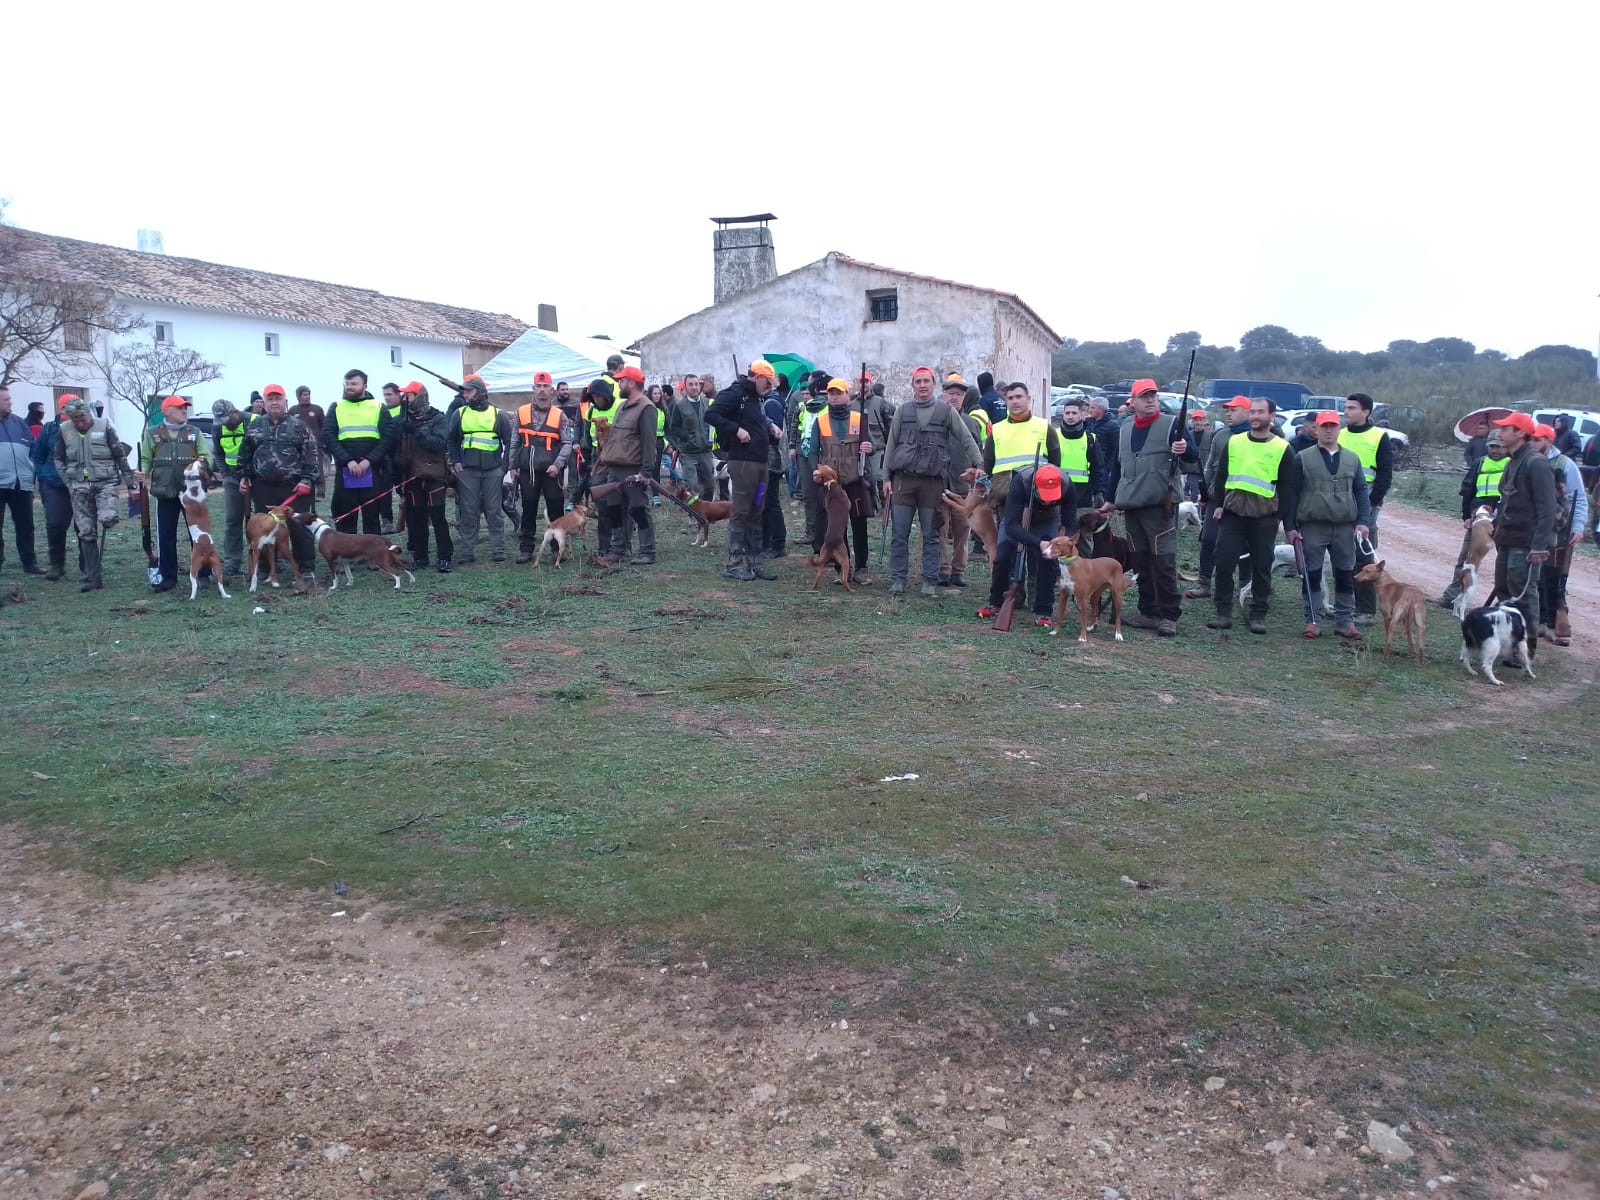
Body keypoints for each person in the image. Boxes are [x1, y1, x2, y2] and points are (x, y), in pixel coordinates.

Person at [1099, 380, 1196, 635]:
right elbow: (1118, 467)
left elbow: (1193, 455)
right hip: (1131, 503)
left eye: (1153, 395)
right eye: (1144, 396)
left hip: (1159, 505)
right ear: (1134, 401)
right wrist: (1110, 499)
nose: (1151, 400)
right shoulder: (1125, 427)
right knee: (1141, 560)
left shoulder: (1172, 424)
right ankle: (1148, 612)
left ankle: (1168, 615)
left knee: (1163, 561)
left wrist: (1184, 449)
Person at [880, 366, 982, 597]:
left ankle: (929, 581)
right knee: (899, 533)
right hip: (903, 481)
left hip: (932, 483)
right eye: (918, 381)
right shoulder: (902, 411)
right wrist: (886, 477)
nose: (922, 385)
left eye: (926, 381)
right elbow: (891, 445)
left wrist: (980, 465)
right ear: (912, 385)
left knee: (931, 534)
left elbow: (966, 439)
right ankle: (898, 579)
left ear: (933, 384)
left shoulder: (946, 411)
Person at [1205, 397, 1299, 634]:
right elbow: (1222, 475)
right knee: (1224, 563)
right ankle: (1223, 613)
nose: (1255, 416)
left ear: (1271, 416)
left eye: (1260, 412)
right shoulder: (1234, 442)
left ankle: (1258, 614)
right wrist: (1218, 503)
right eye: (1253, 412)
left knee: (1261, 568)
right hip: (1233, 515)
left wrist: (1280, 517)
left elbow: (1288, 487)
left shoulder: (1283, 448)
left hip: (1264, 518)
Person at [1284, 411, 1369, 639]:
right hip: (1312, 525)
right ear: (1316, 429)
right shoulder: (1302, 457)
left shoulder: (1352, 458)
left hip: (1344, 526)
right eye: (1324, 426)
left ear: (1339, 428)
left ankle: (1345, 621)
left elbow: (1361, 490)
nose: (1328, 430)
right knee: (1311, 573)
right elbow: (1291, 493)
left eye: (1333, 426)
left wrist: (1363, 521)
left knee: (1344, 573)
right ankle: (1313, 619)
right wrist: (1290, 526)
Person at [53, 397, 141, 591]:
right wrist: (68, 481)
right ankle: (93, 577)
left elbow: (120, 455)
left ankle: (108, 516)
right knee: (85, 532)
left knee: (108, 518)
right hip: (78, 486)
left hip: (105, 483)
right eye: (75, 419)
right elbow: (58, 458)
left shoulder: (104, 426)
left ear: (88, 413)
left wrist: (130, 483)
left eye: (82, 417)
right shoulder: (64, 430)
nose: (80, 422)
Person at [1488, 412, 1555, 666]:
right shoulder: (1512, 461)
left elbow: (1547, 508)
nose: (1500, 433)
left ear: (1520, 433)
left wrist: (1539, 546)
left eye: (1506, 429)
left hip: (1526, 544)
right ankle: (1509, 645)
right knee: (1505, 593)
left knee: (1524, 596)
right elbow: (1505, 501)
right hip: (1507, 540)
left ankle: (1526, 652)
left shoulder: (1535, 463)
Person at [236, 385, 319, 588]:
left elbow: (312, 454)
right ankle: (265, 568)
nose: (274, 402)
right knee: (265, 529)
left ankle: (306, 567)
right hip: (264, 487)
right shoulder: (254, 427)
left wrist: (306, 480)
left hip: (294, 487)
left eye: (278, 398)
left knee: (298, 527)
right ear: (264, 402)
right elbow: (244, 455)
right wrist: (244, 477)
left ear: (285, 401)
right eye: (270, 399)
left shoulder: (298, 426)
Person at [707, 360, 782, 582]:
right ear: (757, 377)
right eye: (767, 384)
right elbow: (711, 415)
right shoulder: (734, 394)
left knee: (757, 509)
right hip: (743, 464)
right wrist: (736, 430)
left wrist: (770, 426)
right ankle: (734, 564)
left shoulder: (755, 398)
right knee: (741, 512)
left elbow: (757, 418)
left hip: (760, 464)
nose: (769, 388)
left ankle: (755, 563)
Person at [975, 464, 1074, 628]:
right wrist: (1038, 543)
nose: (1049, 500)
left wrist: (1063, 539)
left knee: (1048, 560)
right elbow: (1012, 525)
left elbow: (1070, 521)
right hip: (1019, 518)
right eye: (1045, 495)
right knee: (1003, 556)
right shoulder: (1020, 482)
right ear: (1035, 486)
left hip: (1048, 519)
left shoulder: (1067, 484)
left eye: (1052, 495)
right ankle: (995, 603)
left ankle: (1043, 611)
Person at [800, 378, 874, 585]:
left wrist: (870, 448)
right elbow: (813, 451)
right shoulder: (820, 420)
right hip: (831, 484)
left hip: (855, 481)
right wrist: (816, 470)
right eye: (831, 394)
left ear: (847, 395)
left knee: (859, 526)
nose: (835, 397)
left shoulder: (860, 419)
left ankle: (861, 568)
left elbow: (872, 445)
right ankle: (843, 567)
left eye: (838, 393)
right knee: (836, 526)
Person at [140, 395, 209, 593]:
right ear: (167, 411)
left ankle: (203, 575)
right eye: (179, 408)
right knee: (165, 535)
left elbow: (206, 456)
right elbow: (146, 458)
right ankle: (168, 577)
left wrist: (201, 463)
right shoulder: (152, 434)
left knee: (197, 534)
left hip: (192, 491)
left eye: (185, 408)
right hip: (164, 492)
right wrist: (142, 471)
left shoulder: (194, 432)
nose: (184, 411)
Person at [1185, 396, 1251, 600]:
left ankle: (1245, 586)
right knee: (1208, 539)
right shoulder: (1220, 435)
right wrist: (1204, 492)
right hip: (1216, 497)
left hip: (1244, 499)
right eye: (1227, 410)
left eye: (1234, 410)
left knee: (1245, 544)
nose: (1228, 413)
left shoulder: (1256, 436)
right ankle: (1204, 582)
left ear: (1247, 412)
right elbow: (1210, 465)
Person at [594, 365, 659, 566]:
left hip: (633, 469)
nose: (619, 384)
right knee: (614, 510)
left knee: (639, 510)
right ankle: (618, 549)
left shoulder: (646, 408)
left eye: (622, 381)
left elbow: (649, 442)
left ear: (631, 383)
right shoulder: (622, 406)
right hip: (614, 468)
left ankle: (647, 551)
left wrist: (646, 472)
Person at [1338, 393, 1394, 624]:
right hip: (1339, 502)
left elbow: (1385, 473)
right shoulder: (1339, 434)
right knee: (1342, 553)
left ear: (1366, 412)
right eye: (1346, 407)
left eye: (1352, 408)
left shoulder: (1379, 436)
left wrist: (1372, 502)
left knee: (1364, 554)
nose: (1346, 412)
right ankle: (1344, 604)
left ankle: (1366, 610)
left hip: (1366, 502)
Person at [445, 377, 514, 565]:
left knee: (494, 512)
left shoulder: (498, 414)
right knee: (468, 512)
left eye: (469, 391)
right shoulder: (459, 413)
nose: (464, 394)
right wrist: (456, 461)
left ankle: (498, 551)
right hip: (468, 471)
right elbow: (451, 440)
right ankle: (467, 553)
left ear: (480, 392)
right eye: (464, 391)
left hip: (493, 470)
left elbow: (509, 442)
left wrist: (504, 467)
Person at [511, 371, 576, 563]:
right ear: (533, 389)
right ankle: (526, 549)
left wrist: (558, 464)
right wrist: (512, 466)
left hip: (551, 472)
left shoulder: (560, 416)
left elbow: (567, 443)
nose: (542, 390)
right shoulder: (521, 412)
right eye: (538, 386)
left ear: (552, 391)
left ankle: (557, 549)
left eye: (545, 386)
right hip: (527, 471)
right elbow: (514, 442)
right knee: (528, 509)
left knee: (556, 511)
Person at [1438, 435, 1507, 609]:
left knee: (1506, 562)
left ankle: (1506, 601)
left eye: (1499, 446)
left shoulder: (1512, 465)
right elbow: (1467, 490)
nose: (1495, 450)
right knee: (1466, 559)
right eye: (1492, 446)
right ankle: (1452, 596)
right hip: (1478, 518)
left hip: (1504, 520)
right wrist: (1466, 516)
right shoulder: (1479, 463)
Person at [1533, 423, 1586, 647]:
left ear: (1549, 441)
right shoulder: (1530, 460)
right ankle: (1539, 622)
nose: (1533, 443)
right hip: (1536, 528)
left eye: (1537, 440)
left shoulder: (1566, 464)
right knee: (1537, 577)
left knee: (1555, 579)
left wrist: (1579, 526)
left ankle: (1556, 627)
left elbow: (1579, 497)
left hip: (1560, 530)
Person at [324, 369, 394, 536]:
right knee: (345, 517)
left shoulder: (378, 407)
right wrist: (348, 461)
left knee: (371, 516)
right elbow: (328, 435)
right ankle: (348, 558)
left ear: (365, 386)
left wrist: (369, 460)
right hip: (345, 470)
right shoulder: (336, 407)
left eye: (354, 384)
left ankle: (372, 558)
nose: (349, 387)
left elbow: (388, 437)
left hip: (371, 470)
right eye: (347, 384)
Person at [397, 382, 453, 572]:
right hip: (411, 476)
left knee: (438, 517)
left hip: (433, 475)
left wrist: (416, 432)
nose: (405, 399)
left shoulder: (437, 418)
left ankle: (445, 557)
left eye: (409, 395)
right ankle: (420, 557)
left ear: (419, 396)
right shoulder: (402, 419)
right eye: (404, 396)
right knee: (416, 518)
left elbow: (438, 443)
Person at [935, 375, 984, 587]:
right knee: (939, 529)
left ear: (964, 398)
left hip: (962, 486)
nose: (954, 398)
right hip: (937, 484)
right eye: (950, 393)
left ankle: (958, 571)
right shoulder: (935, 418)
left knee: (963, 530)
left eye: (959, 394)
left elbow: (978, 452)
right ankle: (942, 570)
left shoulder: (971, 423)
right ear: (943, 395)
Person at [981, 381, 1060, 508]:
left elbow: (1055, 462)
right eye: (1010, 398)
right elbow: (988, 463)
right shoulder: (996, 430)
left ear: (1028, 399)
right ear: (1006, 401)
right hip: (1005, 499)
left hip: (1038, 498)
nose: (1015, 401)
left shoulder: (1044, 427)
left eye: (1019, 397)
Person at [0, 383, 42, 577]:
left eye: (10, 399)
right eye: (6, 400)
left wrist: (30, 469)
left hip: (21, 483)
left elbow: (33, 449)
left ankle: (29, 562)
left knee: (26, 525)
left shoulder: (18, 423)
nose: (10, 403)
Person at [29, 395, 73, 580]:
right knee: (55, 523)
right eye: (68, 408)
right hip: (54, 483)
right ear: (61, 409)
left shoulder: (85, 427)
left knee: (84, 525)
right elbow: (38, 455)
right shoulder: (49, 429)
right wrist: (43, 475)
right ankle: (57, 564)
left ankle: (87, 564)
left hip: (80, 482)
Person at [208, 400, 253, 578]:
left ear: (235, 411)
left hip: (255, 477)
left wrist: (251, 476)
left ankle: (268, 560)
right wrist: (225, 474)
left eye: (228, 418)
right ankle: (232, 562)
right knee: (233, 520)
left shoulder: (253, 421)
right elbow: (218, 453)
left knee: (261, 519)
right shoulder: (218, 428)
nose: (226, 423)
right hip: (232, 478)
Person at [666, 371, 717, 501]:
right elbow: (674, 427)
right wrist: (686, 437)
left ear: (700, 386)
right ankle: (694, 514)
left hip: (705, 451)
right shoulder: (680, 405)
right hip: (688, 452)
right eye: (690, 385)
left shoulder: (707, 403)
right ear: (686, 387)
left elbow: (713, 423)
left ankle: (707, 513)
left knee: (709, 486)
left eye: (696, 384)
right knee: (692, 484)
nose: (694, 387)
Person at [1056, 397, 1105, 506]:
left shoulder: (1090, 439)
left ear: (1081, 415)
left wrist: (1099, 492)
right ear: (1063, 414)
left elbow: (1098, 468)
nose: (1070, 416)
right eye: (1067, 413)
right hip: (1057, 492)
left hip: (1082, 495)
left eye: (1074, 413)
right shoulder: (1053, 436)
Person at [760, 379, 789, 558]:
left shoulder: (771, 403)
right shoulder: (766, 401)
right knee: (762, 501)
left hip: (772, 462)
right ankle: (764, 540)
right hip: (765, 461)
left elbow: (775, 435)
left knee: (771, 502)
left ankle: (777, 543)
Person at [378, 383, 406, 534]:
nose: (386, 398)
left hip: (403, 457)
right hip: (386, 458)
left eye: (389, 394)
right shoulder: (382, 411)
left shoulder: (405, 411)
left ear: (398, 394)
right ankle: (387, 521)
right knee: (384, 493)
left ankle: (412, 517)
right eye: (385, 395)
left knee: (406, 491)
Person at [290, 385, 326, 497]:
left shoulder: (317, 409)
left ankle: (320, 493)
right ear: (298, 396)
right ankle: (302, 491)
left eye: (308, 394)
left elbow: (324, 426)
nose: (307, 397)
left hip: (316, 445)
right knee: (301, 470)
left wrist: (322, 441)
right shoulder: (293, 410)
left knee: (318, 470)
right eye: (305, 394)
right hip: (298, 447)